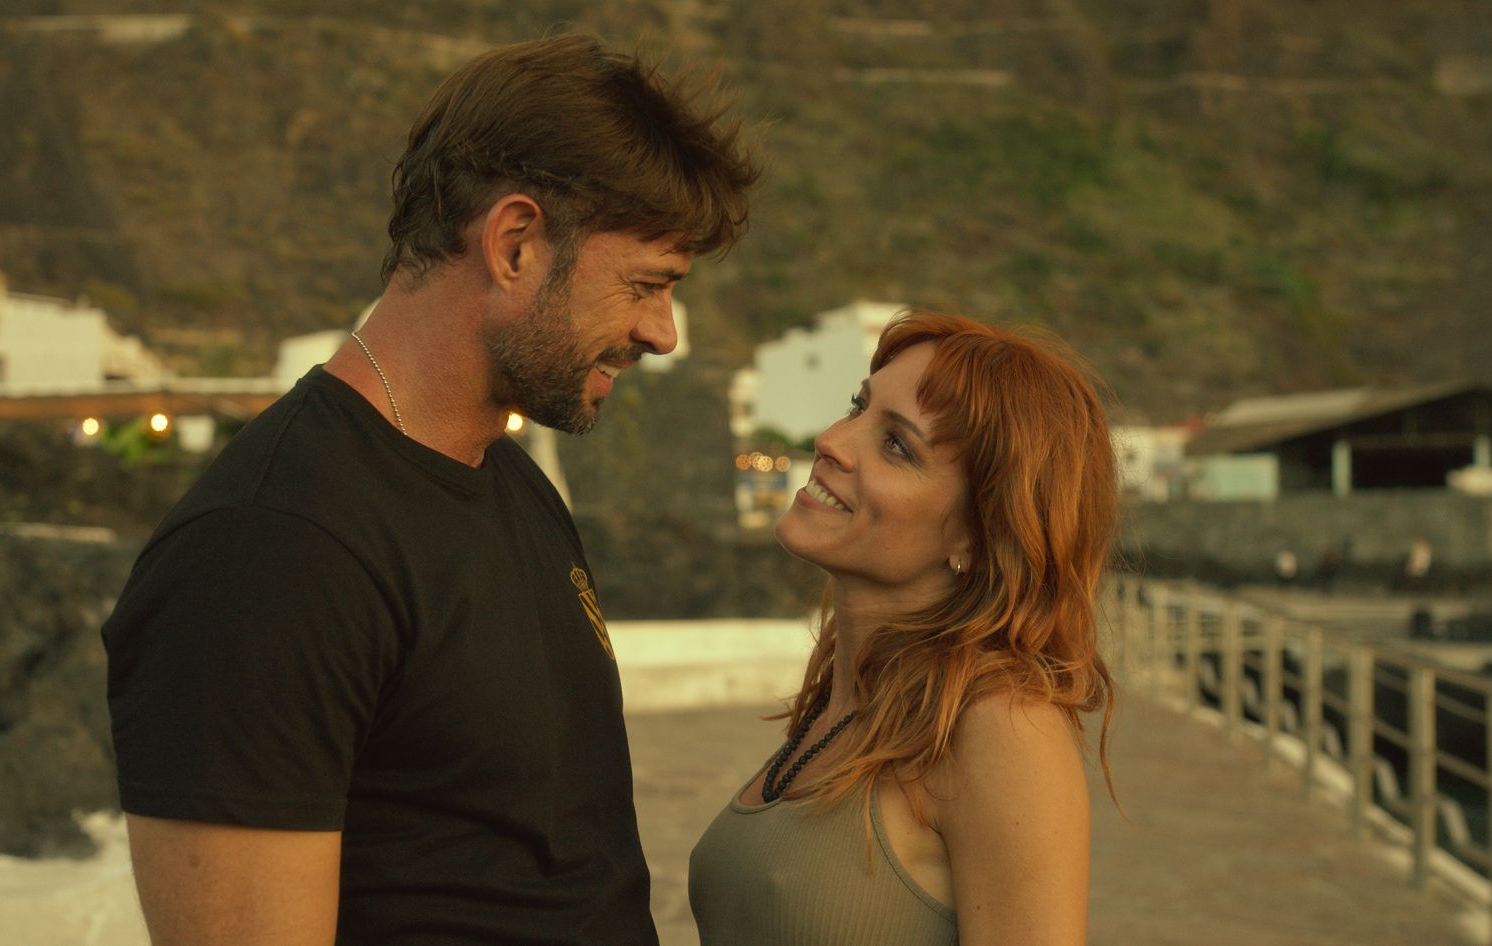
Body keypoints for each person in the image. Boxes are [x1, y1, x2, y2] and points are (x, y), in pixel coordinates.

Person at [101, 34, 757, 946]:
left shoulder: (513, 484)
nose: (663, 332)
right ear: (515, 244)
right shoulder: (268, 549)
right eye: (646, 285)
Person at [689, 312, 1117, 946]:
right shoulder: (846, 703)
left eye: (896, 445)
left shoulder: (1001, 728)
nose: (832, 440)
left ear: (980, 533)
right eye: (857, 407)